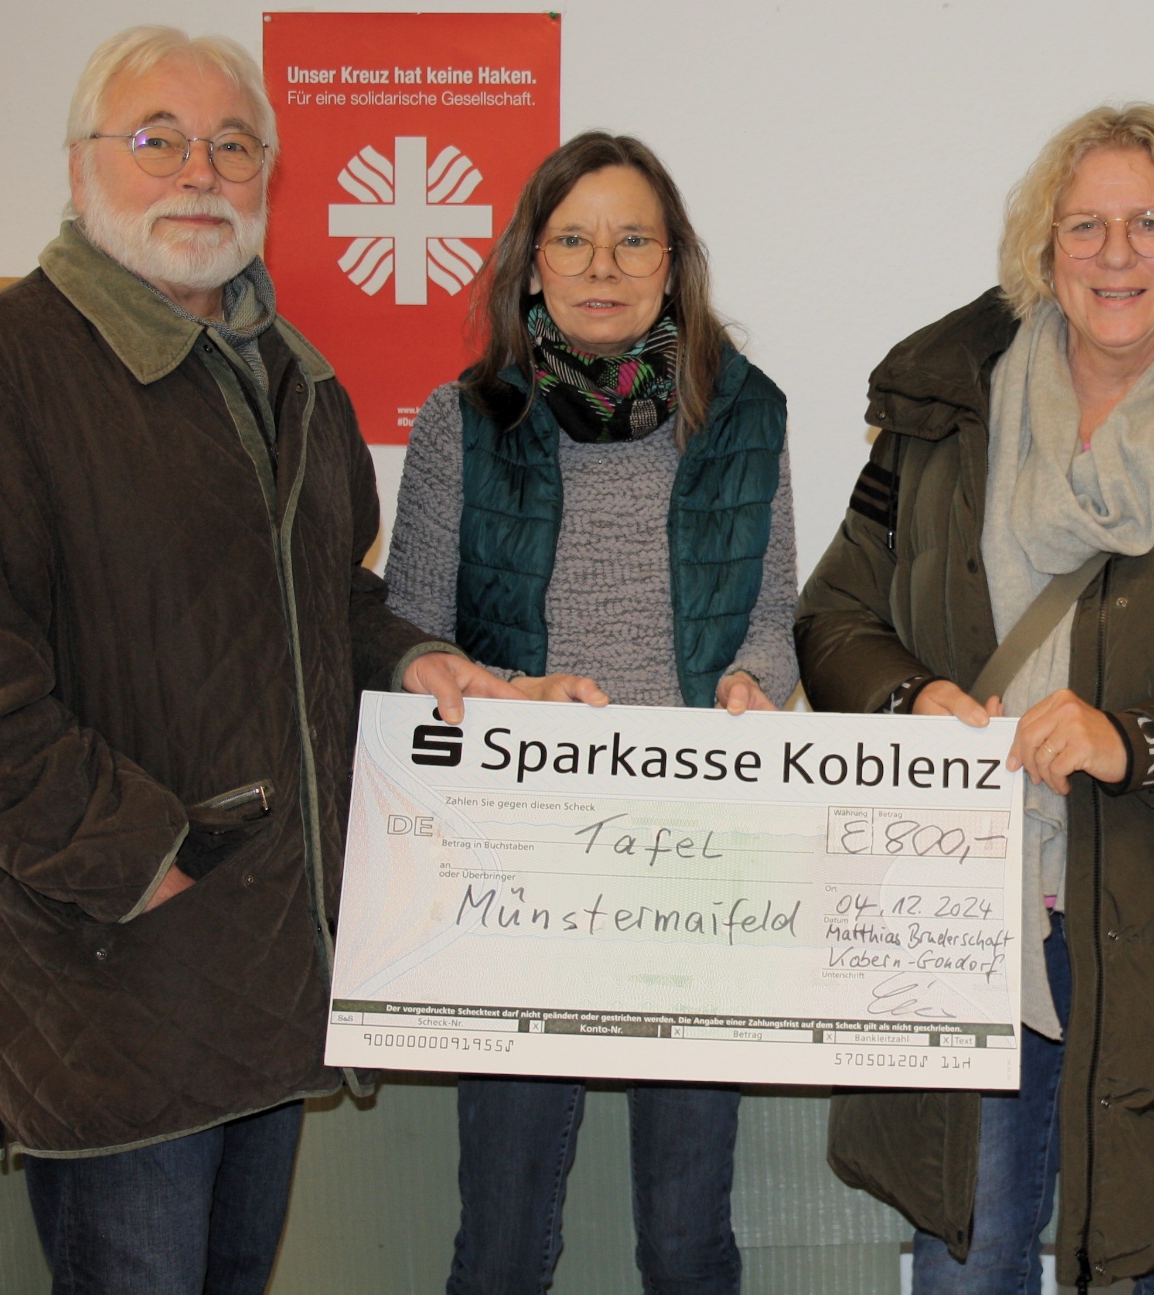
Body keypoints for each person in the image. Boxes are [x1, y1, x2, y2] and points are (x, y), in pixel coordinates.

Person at [0, 25, 517, 1295]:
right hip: (116, 972)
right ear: (81, 171)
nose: (202, 169)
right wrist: (144, 856)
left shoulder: (296, 379)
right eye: (158, 138)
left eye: (235, 145)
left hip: (266, 968)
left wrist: (419, 662)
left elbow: (323, 604)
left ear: (270, 180)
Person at [796, 103, 1154, 1294]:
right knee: (967, 1261)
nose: (1116, 254)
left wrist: (1137, 739)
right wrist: (908, 698)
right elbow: (836, 611)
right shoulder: (943, 410)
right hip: (966, 914)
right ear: (1042, 251)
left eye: (1149, 224)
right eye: (1086, 226)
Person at [381, 130, 798, 1295]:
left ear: (674, 265)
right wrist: (504, 695)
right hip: (516, 868)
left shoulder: (745, 414)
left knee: (683, 1238)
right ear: (531, 265)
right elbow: (411, 638)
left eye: (632, 238)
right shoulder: (461, 420)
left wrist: (750, 685)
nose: (602, 263)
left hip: (691, 866)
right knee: (505, 1241)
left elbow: (772, 613)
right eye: (573, 238)